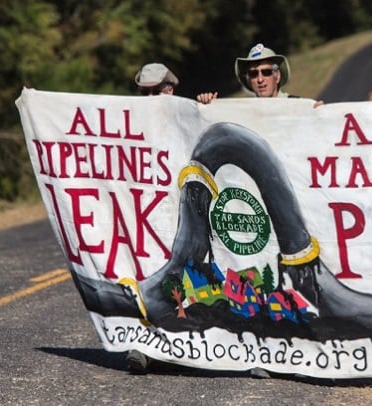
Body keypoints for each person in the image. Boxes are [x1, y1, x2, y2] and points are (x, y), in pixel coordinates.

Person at [125, 62, 182, 374]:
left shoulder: (186, 117)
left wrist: (207, 107)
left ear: (168, 90)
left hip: (178, 215)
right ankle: (144, 346)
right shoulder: (130, 123)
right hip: (145, 216)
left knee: (176, 281)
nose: (147, 97)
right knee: (145, 277)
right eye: (142, 92)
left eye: (153, 91)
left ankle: (177, 345)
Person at [196, 43, 322, 106]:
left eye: (266, 72)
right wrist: (209, 106)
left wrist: (323, 114)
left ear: (277, 76)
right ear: (249, 80)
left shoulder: (298, 105)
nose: (260, 79)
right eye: (253, 74)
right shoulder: (244, 111)